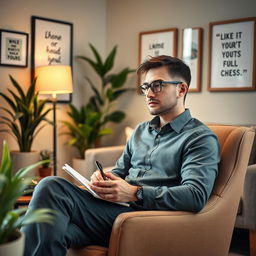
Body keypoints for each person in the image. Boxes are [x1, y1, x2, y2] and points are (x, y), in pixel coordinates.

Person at [21, 55, 220, 255]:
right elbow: (120, 171)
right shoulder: (141, 131)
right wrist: (103, 179)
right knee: (52, 229)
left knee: (51, 186)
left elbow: (195, 195)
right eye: (146, 87)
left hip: (148, 217)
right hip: (113, 212)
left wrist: (135, 193)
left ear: (181, 89)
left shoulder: (200, 138)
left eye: (157, 85)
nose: (149, 93)